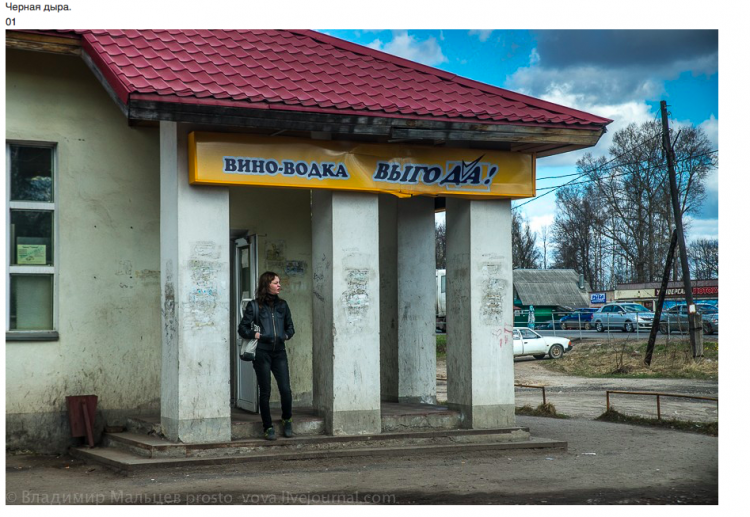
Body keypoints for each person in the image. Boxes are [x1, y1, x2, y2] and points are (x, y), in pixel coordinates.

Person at [238, 271, 295, 440]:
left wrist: (285, 336)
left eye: (279, 282)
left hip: (279, 352)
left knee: (285, 390)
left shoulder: (283, 305)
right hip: (262, 353)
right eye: (276, 283)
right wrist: (255, 335)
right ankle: (268, 426)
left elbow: (290, 328)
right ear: (267, 284)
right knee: (265, 391)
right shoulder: (255, 306)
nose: (279, 285)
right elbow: (242, 328)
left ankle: (287, 419)